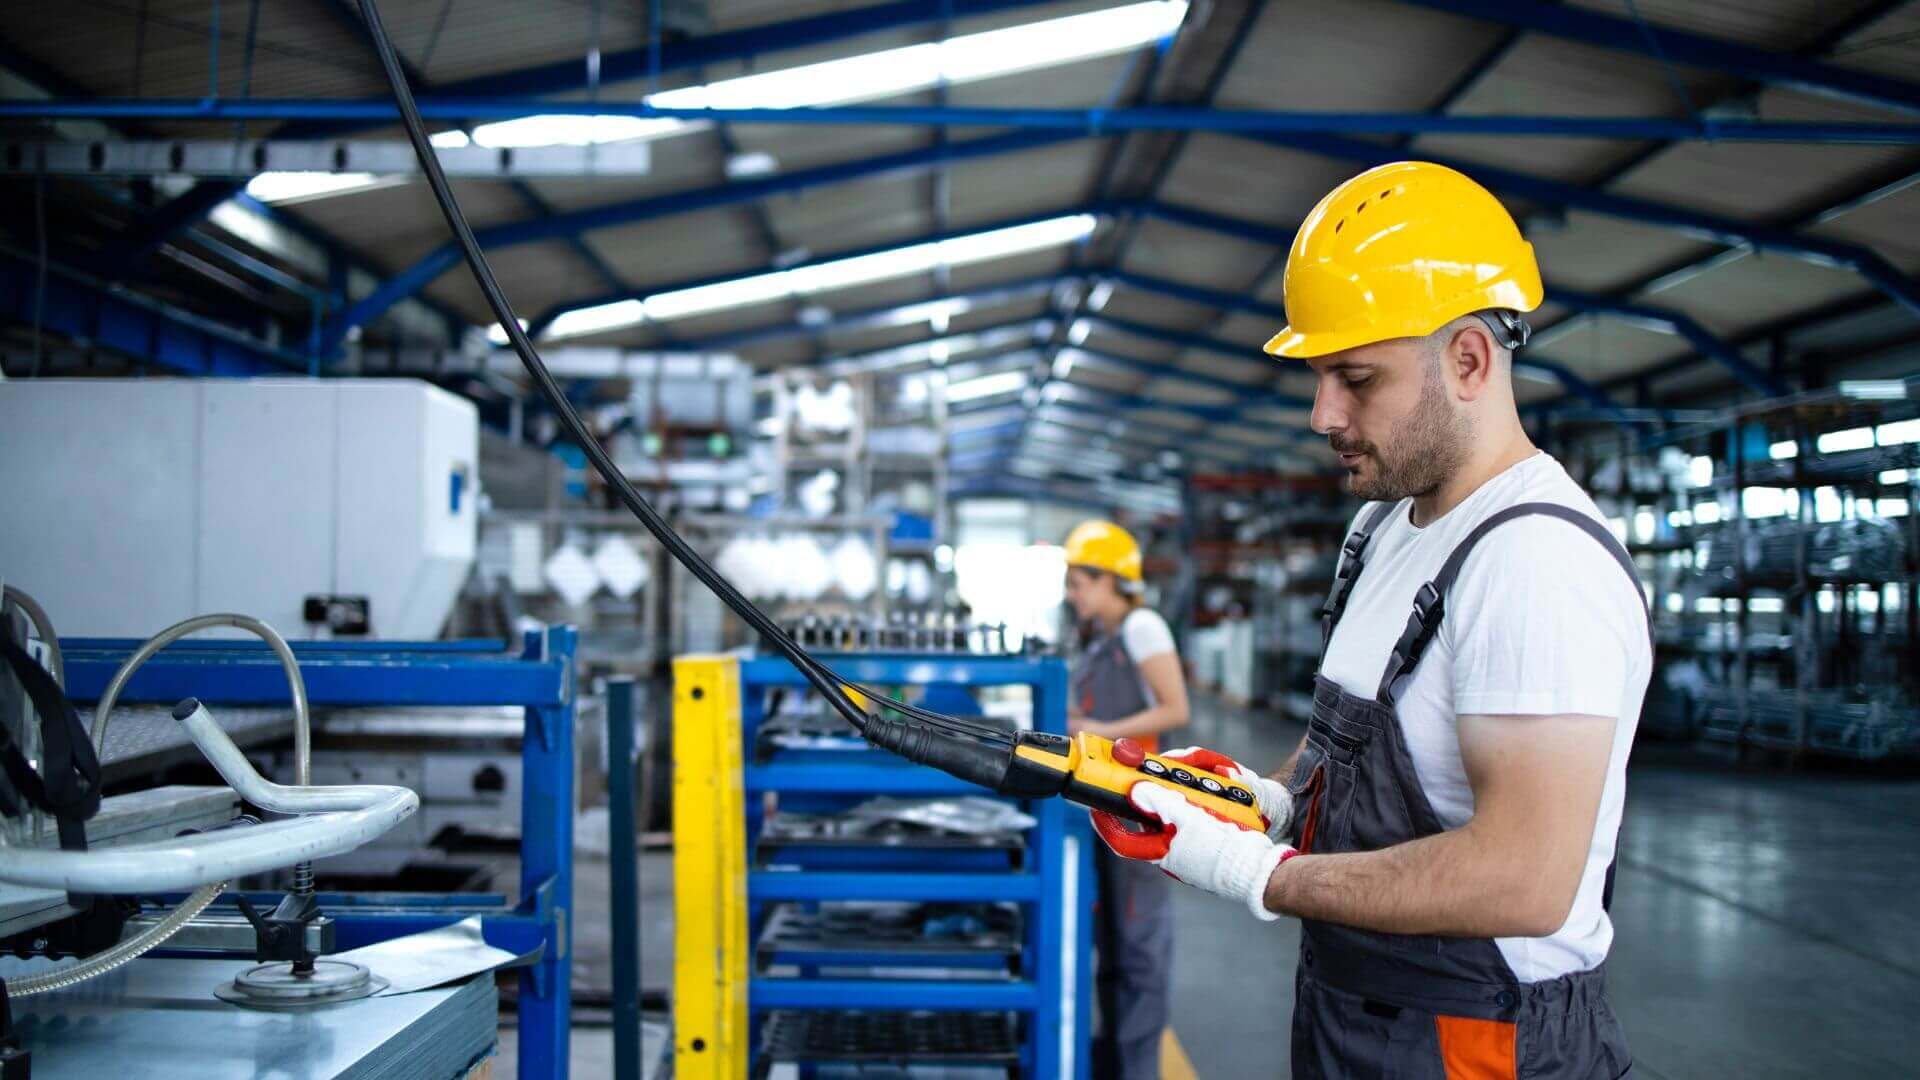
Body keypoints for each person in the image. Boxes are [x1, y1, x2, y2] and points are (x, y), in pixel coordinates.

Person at [1099, 161, 1652, 1078]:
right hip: (1353, 1011)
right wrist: (1265, 801)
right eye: (1320, 377)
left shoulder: (1534, 561)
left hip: (1477, 1043)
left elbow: (1525, 878)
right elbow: (1348, 753)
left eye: (1356, 378)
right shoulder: (1381, 531)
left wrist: (1260, 873)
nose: (1323, 414)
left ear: (1469, 360)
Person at [1061, 519, 1190, 1080]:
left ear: (1111, 579)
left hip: (1140, 812)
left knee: (1138, 947)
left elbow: (1175, 708)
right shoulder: (1101, 638)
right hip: (1106, 806)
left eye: (1079, 583)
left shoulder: (1143, 627)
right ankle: (1114, 1062)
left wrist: (1099, 731)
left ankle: (1137, 1070)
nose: (1072, 596)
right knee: (1112, 943)